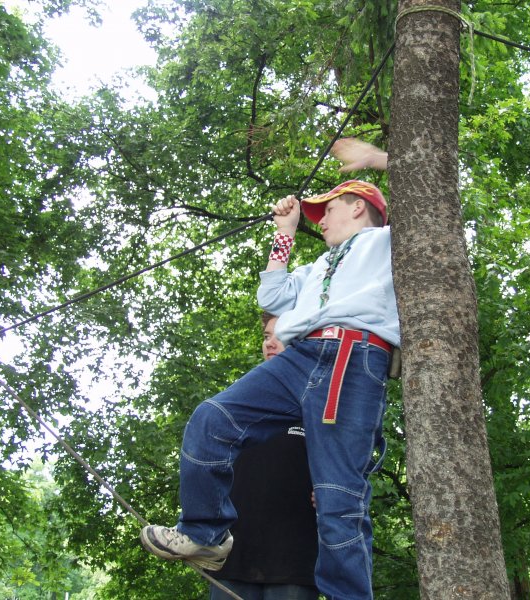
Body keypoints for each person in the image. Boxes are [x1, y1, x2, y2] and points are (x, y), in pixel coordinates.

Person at [141, 177, 398, 600]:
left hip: (352, 357)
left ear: (357, 206)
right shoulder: (319, 266)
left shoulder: (385, 243)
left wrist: (376, 160)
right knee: (213, 419)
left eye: (327, 210)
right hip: (301, 355)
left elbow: (429, 206)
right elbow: (273, 297)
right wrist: (285, 233)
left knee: (337, 500)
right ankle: (205, 533)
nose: (321, 221)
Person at [209, 313, 319, 600]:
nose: (270, 343)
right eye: (267, 336)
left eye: (280, 336)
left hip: (294, 562)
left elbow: (349, 469)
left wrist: (333, 491)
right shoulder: (239, 402)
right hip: (233, 558)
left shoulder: (320, 403)